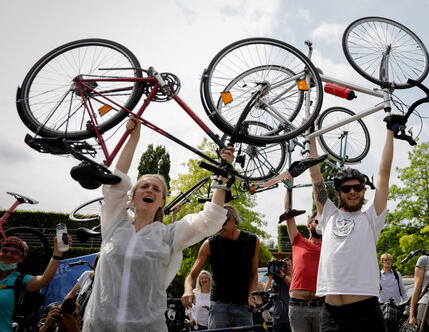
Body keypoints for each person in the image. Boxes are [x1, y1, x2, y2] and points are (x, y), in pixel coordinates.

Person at [82, 116, 233, 331]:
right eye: (144, 186)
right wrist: (134, 136)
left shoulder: (169, 235)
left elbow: (210, 219)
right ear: (132, 197)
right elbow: (117, 181)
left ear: (162, 202)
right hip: (99, 325)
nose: (149, 190)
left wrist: (223, 173)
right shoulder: (114, 224)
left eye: (156, 188)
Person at [308, 115, 404, 332]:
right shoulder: (328, 214)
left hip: (365, 312)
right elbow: (315, 174)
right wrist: (310, 134)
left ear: (363, 191)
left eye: (357, 188)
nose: (352, 191)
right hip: (330, 313)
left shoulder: (371, 218)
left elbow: (384, 173)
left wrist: (390, 132)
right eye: (346, 188)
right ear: (338, 192)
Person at [182, 206, 260, 329]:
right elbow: (191, 276)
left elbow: (254, 274)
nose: (219, 228)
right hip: (219, 306)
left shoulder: (252, 241)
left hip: (244, 306)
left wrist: (251, 296)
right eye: (215, 224)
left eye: (222, 223)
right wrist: (188, 290)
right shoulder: (209, 244)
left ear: (233, 219)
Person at [1, 235, 70, 331]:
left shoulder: (20, 280)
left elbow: (43, 280)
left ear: (22, 259)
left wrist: (57, 252)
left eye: (14, 252)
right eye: (4, 250)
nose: (8, 254)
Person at [283, 178, 323, 332]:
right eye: (316, 222)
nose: (319, 225)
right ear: (309, 225)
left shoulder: (330, 246)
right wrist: (289, 187)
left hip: (321, 305)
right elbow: (288, 214)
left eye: (321, 222)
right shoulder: (298, 241)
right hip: (297, 306)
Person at [265, 258, 292, 332]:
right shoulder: (277, 280)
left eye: (289, 265)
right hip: (278, 318)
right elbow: (265, 293)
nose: (287, 267)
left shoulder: (295, 279)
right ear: (281, 267)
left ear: (293, 266)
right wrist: (270, 278)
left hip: (291, 318)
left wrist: (283, 276)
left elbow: (293, 285)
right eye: (285, 265)